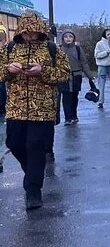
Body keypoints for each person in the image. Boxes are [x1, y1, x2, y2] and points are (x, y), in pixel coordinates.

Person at [0, 11, 70, 209]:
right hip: (16, 108)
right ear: (20, 32)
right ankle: (32, 173)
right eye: (26, 34)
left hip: (43, 109)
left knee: (36, 147)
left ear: (41, 32)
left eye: (34, 33)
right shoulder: (9, 49)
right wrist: (8, 70)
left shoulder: (52, 49)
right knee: (14, 144)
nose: (30, 37)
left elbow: (64, 74)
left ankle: (33, 191)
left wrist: (43, 72)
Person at [57, 30, 93, 125]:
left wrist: (89, 75)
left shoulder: (77, 49)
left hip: (76, 76)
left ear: (73, 38)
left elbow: (83, 63)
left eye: (70, 37)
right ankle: (67, 118)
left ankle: (74, 115)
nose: (68, 38)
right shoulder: (59, 49)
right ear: (63, 38)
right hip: (64, 77)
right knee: (66, 97)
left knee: (74, 97)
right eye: (66, 36)